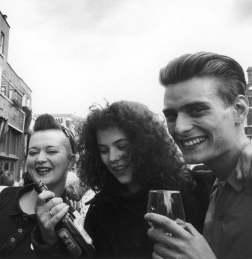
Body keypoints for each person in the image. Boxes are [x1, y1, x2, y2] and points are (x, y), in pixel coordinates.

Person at [145, 52, 252, 259]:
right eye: (171, 116)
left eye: (197, 110)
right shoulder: (219, 183)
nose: (180, 128)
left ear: (239, 110)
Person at [76, 100, 214, 258]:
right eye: (104, 150)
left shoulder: (195, 189)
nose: (113, 157)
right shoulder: (100, 212)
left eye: (122, 146)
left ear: (145, 145)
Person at [0, 114, 75, 258]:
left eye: (51, 151)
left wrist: (50, 241)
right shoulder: (0, 194)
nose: (40, 159)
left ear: (71, 161)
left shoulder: (71, 227)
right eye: (33, 152)